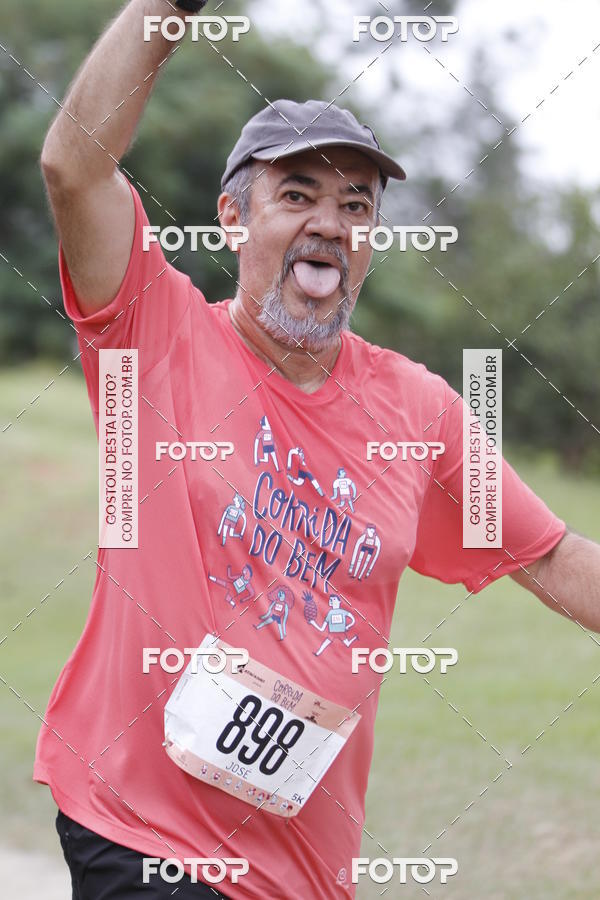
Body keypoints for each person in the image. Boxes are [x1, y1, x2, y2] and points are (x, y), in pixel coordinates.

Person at [35, 1, 600, 898]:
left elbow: (555, 556)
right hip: (138, 829)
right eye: (296, 196)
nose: (329, 224)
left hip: (300, 873)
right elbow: (74, 168)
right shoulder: (159, 333)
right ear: (231, 217)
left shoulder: (419, 412)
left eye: (354, 205)